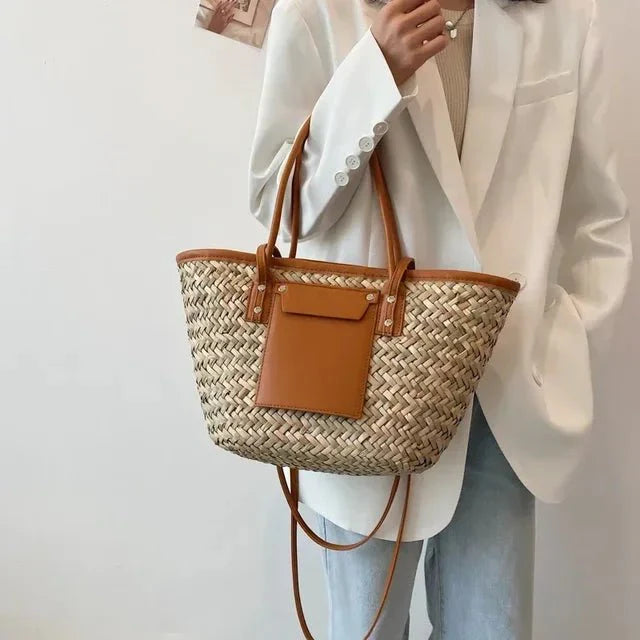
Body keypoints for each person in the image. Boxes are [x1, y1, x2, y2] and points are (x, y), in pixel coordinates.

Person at [248, 0, 632, 637]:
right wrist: (373, 74)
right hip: (363, 394)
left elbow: (601, 218)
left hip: (503, 395)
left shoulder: (564, 17)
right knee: (366, 630)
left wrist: (568, 344)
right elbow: (278, 202)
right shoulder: (320, 10)